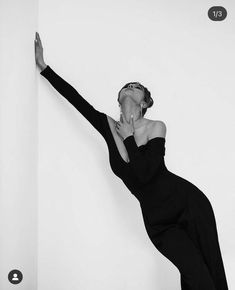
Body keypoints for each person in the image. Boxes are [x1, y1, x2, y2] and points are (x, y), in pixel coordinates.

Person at [34, 31, 229, 290]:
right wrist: (44, 67)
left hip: (189, 205)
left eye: (136, 87)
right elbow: (75, 99)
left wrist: (128, 139)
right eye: (127, 86)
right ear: (119, 98)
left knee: (209, 275)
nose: (130, 87)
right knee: (195, 276)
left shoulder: (156, 127)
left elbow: (146, 172)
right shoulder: (108, 126)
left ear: (145, 102)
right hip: (159, 222)